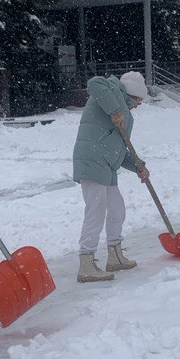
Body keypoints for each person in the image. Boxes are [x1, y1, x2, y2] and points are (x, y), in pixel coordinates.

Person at [72, 71, 151, 282]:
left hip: (107, 167)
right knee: (96, 210)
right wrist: (115, 109)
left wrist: (139, 167)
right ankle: (86, 263)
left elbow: (121, 150)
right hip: (92, 160)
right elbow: (93, 83)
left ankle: (115, 256)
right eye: (139, 100)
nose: (139, 104)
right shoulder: (111, 90)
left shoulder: (125, 115)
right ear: (132, 94)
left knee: (117, 209)